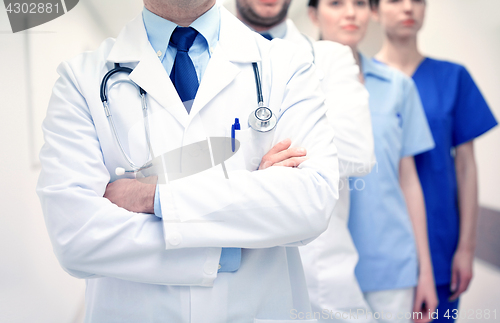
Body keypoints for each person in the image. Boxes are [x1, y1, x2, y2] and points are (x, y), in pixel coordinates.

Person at [36, 0, 341, 321]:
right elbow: (77, 239)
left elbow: (310, 202)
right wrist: (244, 217)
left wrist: (153, 197)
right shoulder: (79, 80)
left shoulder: (287, 65)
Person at [235, 0, 376, 320]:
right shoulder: (208, 58)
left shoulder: (330, 56)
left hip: (322, 271)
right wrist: (310, 135)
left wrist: (258, 165)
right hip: (239, 264)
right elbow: (206, 163)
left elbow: (357, 153)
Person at [308, 0, 438, 322]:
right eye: (336, 3)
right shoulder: (295, 85)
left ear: (372, 13)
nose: (351, 13)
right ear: (313, 14)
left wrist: (424, 271)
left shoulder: (398, 86)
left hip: (389, 264)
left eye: (360, 3)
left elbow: (408, 180)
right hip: (320, 264)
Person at [369, 0, 498, 320]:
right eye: (395, 1)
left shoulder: (453, 77)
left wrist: (466, 248)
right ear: (373, 10)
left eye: (417, 1)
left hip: (441, 242)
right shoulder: (361, 83)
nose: (408, 9)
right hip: (376, 244)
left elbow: (466, 168)